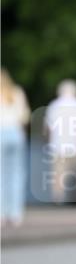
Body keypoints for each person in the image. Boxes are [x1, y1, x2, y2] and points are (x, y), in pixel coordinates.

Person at [44, 80, 76, 203]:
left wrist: (47, 142)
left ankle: (59, 198)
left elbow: (48, 128)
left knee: (59, 174)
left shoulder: (54, 105)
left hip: (58, 145)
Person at [0, 69, 30, 226]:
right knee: (17, 174)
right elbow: (24, 116)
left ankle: (2, 214)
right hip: (16, 133)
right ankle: (16, 214)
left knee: (2, 175)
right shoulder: (17, 92)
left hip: (1, 133)